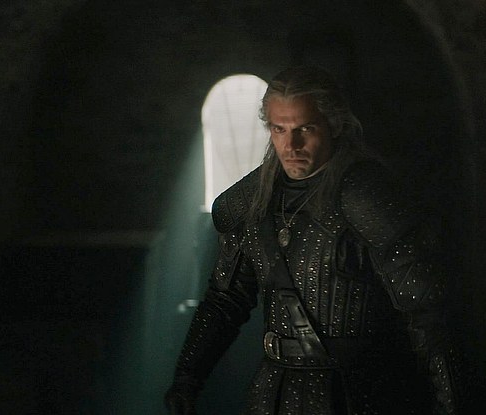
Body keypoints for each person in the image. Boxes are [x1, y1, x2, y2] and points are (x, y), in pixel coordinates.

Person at [165, 65, 469, 414]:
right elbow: (225, 300)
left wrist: (452, 406)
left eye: (305, 129)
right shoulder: (255, 202)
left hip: (356, 395)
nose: (291, 145)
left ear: (334, 125)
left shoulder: (366, 197)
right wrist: (187, 377)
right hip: (272, 394)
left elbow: (428, 315)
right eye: (279, 129)